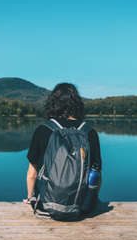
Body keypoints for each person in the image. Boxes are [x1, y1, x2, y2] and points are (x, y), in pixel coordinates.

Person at [23, 83, 102, 214]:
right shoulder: (89, 131)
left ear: (53, 103)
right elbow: (96, 173)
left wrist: (30, 197)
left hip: (45, 206)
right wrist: (92, 200)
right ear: (77, 104)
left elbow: (32, 173)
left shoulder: (43, 130)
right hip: (81, 208)